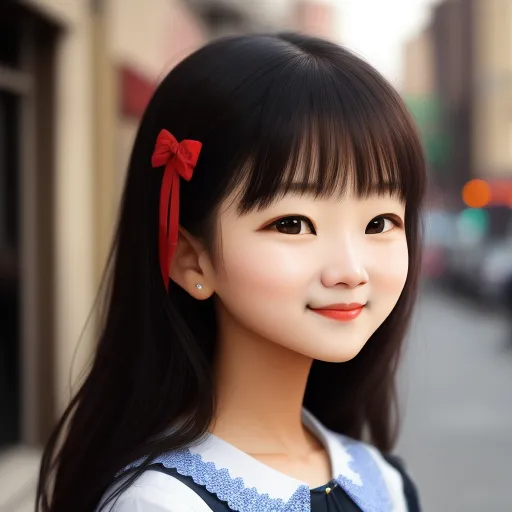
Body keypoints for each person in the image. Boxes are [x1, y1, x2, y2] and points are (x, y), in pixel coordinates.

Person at [37, 32, 427, 512]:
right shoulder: (162, 504)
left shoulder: (381, 482)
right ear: (189, 258)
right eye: (292, 223)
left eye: (379, 223)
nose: (350, 270)